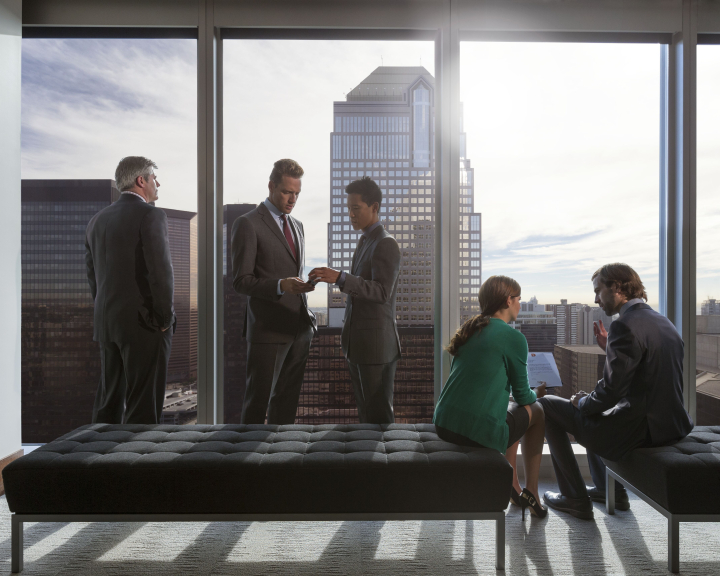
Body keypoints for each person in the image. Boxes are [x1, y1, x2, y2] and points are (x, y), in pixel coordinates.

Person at [538, 263, 694, 520]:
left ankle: (574, 497)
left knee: (549, 406)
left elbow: (611, 391)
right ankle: (607, 490)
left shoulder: (625, 326)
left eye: (598, 291)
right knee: (595, 408)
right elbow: (645, 374)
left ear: (618, 287)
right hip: (672, 424)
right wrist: (609, 347)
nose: (596, 299)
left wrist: (582, 402)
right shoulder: (663, 321)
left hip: (642, 430)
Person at [432, 275, 547, 519]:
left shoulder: (471, 329)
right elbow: (523, 395)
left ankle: (512, 485)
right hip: (473, 430)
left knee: (511, 414)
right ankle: (533, 493)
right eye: (518, 299)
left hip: (444, 423)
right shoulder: (513, 338)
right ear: (508, 300)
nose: (519, 304)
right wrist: (537, 394)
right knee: (536, 411)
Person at [86, 156, 175, 424]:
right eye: (154, 179)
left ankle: (98, 462)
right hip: (144, 324)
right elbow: (160, 272)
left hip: (108, 323)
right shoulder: (151, 214)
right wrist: (162, 319)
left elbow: (93, 277)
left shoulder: (97, 220)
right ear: (141, 181)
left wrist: (106, 311)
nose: (157, 184)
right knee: (143, 406)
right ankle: (138, 464)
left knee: (108, 402)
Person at [231, 158, 316, 424]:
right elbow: (241, 281)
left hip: (298, 327)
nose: (292, 199)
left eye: (297, 194)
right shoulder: (248, 223)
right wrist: (281, 285)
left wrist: (306, 284)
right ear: (271, 186)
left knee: (287, 404)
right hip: (267, 330)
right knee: (257, 405)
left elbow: (292, 269)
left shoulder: (298, 226)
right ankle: (247, 461)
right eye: (287, 192)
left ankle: (278, 461)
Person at [309, 177, 401, 423]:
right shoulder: (365, 241)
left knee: (379, 417)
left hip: (376, 348)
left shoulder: (385, 243)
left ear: (375, 207)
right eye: (348, 208)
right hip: (360, 345)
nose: (350, 214)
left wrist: (340, 277)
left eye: (356, 208)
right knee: (366, 416)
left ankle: (386, 462)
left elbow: (382, 292)